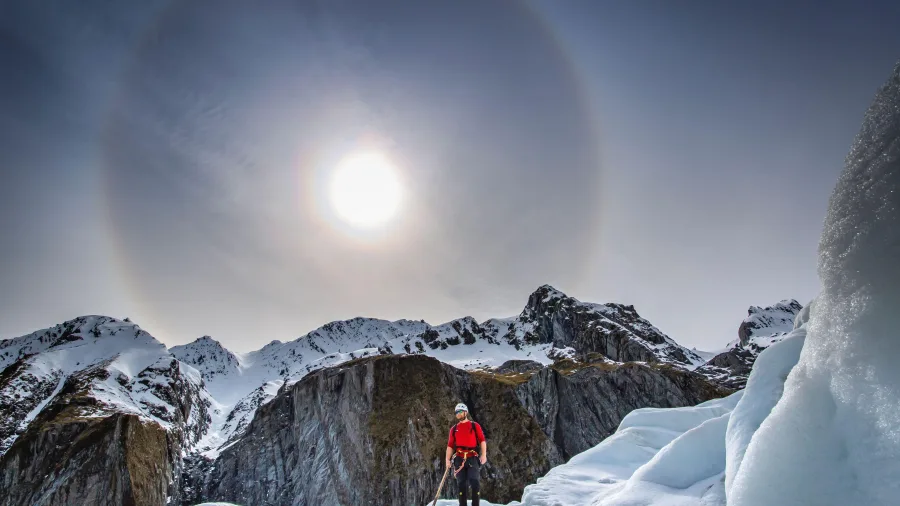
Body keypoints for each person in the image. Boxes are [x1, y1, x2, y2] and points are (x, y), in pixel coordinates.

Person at [445, 402, 487, 506]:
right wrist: (447, 459)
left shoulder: (474, 425)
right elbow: (450, 445)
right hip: (459, 458)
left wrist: (484, 454)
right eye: (456, 412)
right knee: (461, 485)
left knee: (475, 483)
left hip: (472, 457)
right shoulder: (454, 429)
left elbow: (482, 440)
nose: (458, 414)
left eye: (460, 412)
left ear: (465, 412)